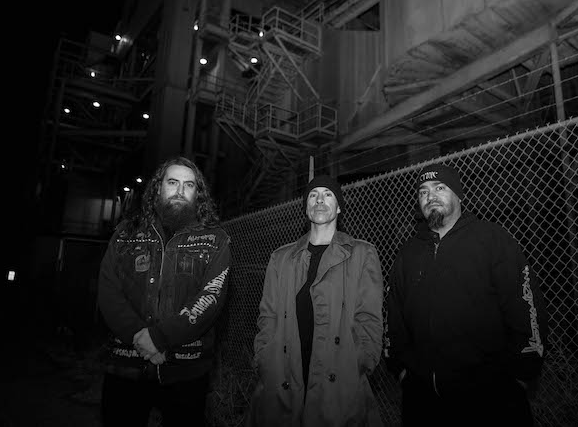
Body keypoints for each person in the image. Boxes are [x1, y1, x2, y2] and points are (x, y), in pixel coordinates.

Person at [385, 163, 548, 426]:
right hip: (423, 400)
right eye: (423, 191)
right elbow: (394, 316)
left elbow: (526, 307)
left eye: (440, 188)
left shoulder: (492, 240)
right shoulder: (408, 253)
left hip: (490, 397)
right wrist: (402, 369)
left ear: (459, 195)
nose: (430, 196)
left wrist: (520, 374)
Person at [97, 156, 231, 427]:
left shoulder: (216, 239)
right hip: (126, 365)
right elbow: (109, 291)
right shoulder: (125, 234)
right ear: (158, 188)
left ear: (198, 193)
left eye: (189, 185)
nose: (180, 190)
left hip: (186, 370)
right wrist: (140, 337)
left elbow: (211, 297)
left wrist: (160, 338)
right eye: (172, 182)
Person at [249, 175, 384, 427]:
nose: (320, 200)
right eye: (313, 195)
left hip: (339, 376)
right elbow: (268, 315)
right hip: (284, 373)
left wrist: (359, 362)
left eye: (328, 194)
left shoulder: (362, 253)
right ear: (306, 207)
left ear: (339, 207)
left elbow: (369, 318)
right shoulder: (281, 258)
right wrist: (264, 360)